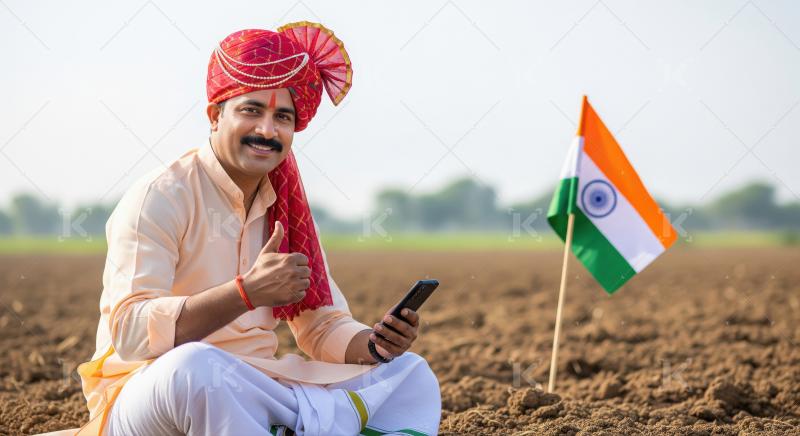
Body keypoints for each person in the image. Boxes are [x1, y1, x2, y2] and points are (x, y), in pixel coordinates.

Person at [75, 22, 441, 436]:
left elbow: (320, 324)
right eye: (251, 110)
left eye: (282, 117)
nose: (268, 131)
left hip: (254, 386)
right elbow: (130, 332)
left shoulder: (285, 203)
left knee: (410, 376)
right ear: (215, 115)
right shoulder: (160, 196)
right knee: (197, 367)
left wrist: (376, 345)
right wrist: (244, 294)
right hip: (150, 396)